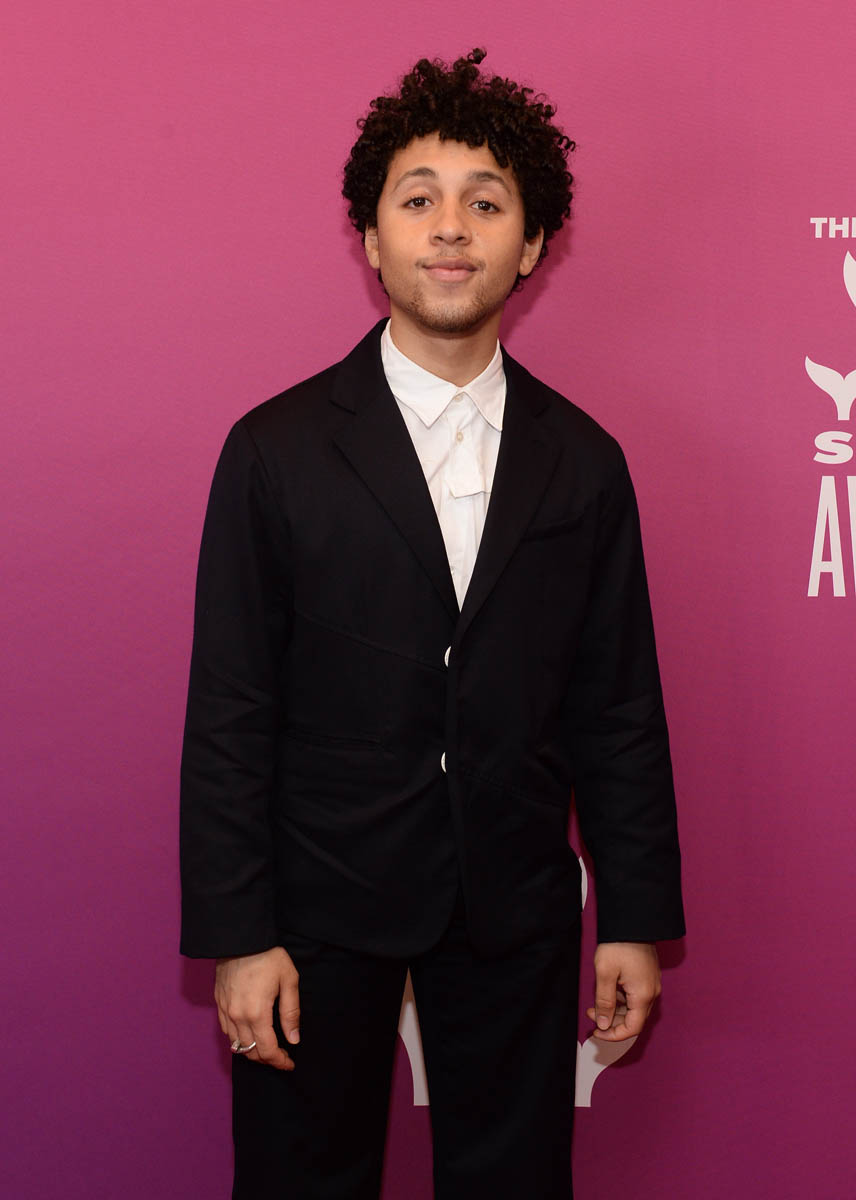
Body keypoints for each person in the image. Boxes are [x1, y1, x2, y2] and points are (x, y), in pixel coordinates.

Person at [180, 48, 684, 1199]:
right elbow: (231, 709)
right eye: (418, 199)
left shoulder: (584, 463)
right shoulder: (274, 452)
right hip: (313, 910)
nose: (450, 227)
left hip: (513, 907)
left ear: (533, 242)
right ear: (371, 237)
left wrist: (633, 917)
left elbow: (617, 706)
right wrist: (238, 933)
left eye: (486, 203)